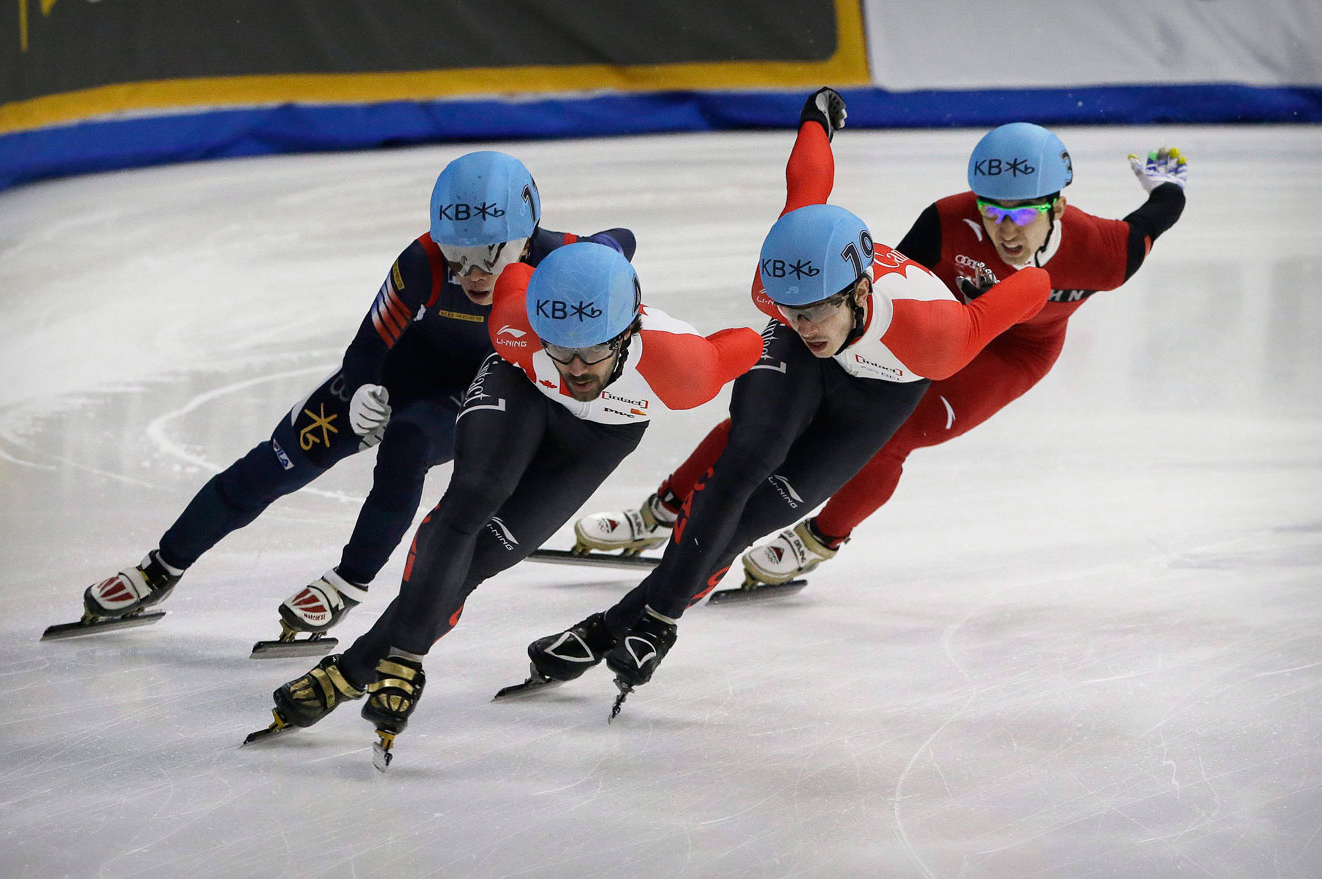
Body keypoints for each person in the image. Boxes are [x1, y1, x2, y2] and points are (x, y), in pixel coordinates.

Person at [518, 89, 1054, 713]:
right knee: (742, 466)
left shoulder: (937, 334)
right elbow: (807, 185)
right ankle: (658, 617)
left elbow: (1034, 287)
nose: (806, 322)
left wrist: (1027, 271)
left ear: (858, 292)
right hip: (802, 365)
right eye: (791, 308)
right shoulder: (789, 290)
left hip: (886, 384)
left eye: (820, 309)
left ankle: (611, 627)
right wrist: (816, 120)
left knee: (755, 515)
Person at [574, 125, 1188, 590]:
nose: (1006, 228)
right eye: (992, 208)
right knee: (771, 415)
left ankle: (822, 536)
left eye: (1024, 212)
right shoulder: (949, 219)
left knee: (893, 436)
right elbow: (893, 283)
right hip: (934, 331)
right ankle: (666, 508)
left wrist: (1166, 178)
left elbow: (1158, 216)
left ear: (1058, 204)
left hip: (1011, 351)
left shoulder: (1105, 251)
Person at [65, 151, 635, 641]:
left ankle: (348, 582)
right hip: (404, 372)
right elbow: (367, 345)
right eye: (457, 251)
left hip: (475, 387)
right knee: (274, 464)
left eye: (489, 252)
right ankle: (161, 566)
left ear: (527, 234)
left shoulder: (559, 261)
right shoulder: (423, 262)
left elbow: (622, 241)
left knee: (407, 447)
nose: (472, 271)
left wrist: (604, 253)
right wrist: (362, 386)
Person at [248, 242, 764, 764]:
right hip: (518, 388)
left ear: (629, 333)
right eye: (560, 349)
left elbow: (749, 341)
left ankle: (350, 671)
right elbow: (518, 270)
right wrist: (407, 655)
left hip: (600, 437)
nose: (576, 369)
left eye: (593, 352)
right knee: (470, 501)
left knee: (487, 557)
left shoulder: (684, 368)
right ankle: (398, 661)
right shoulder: (515, 327)